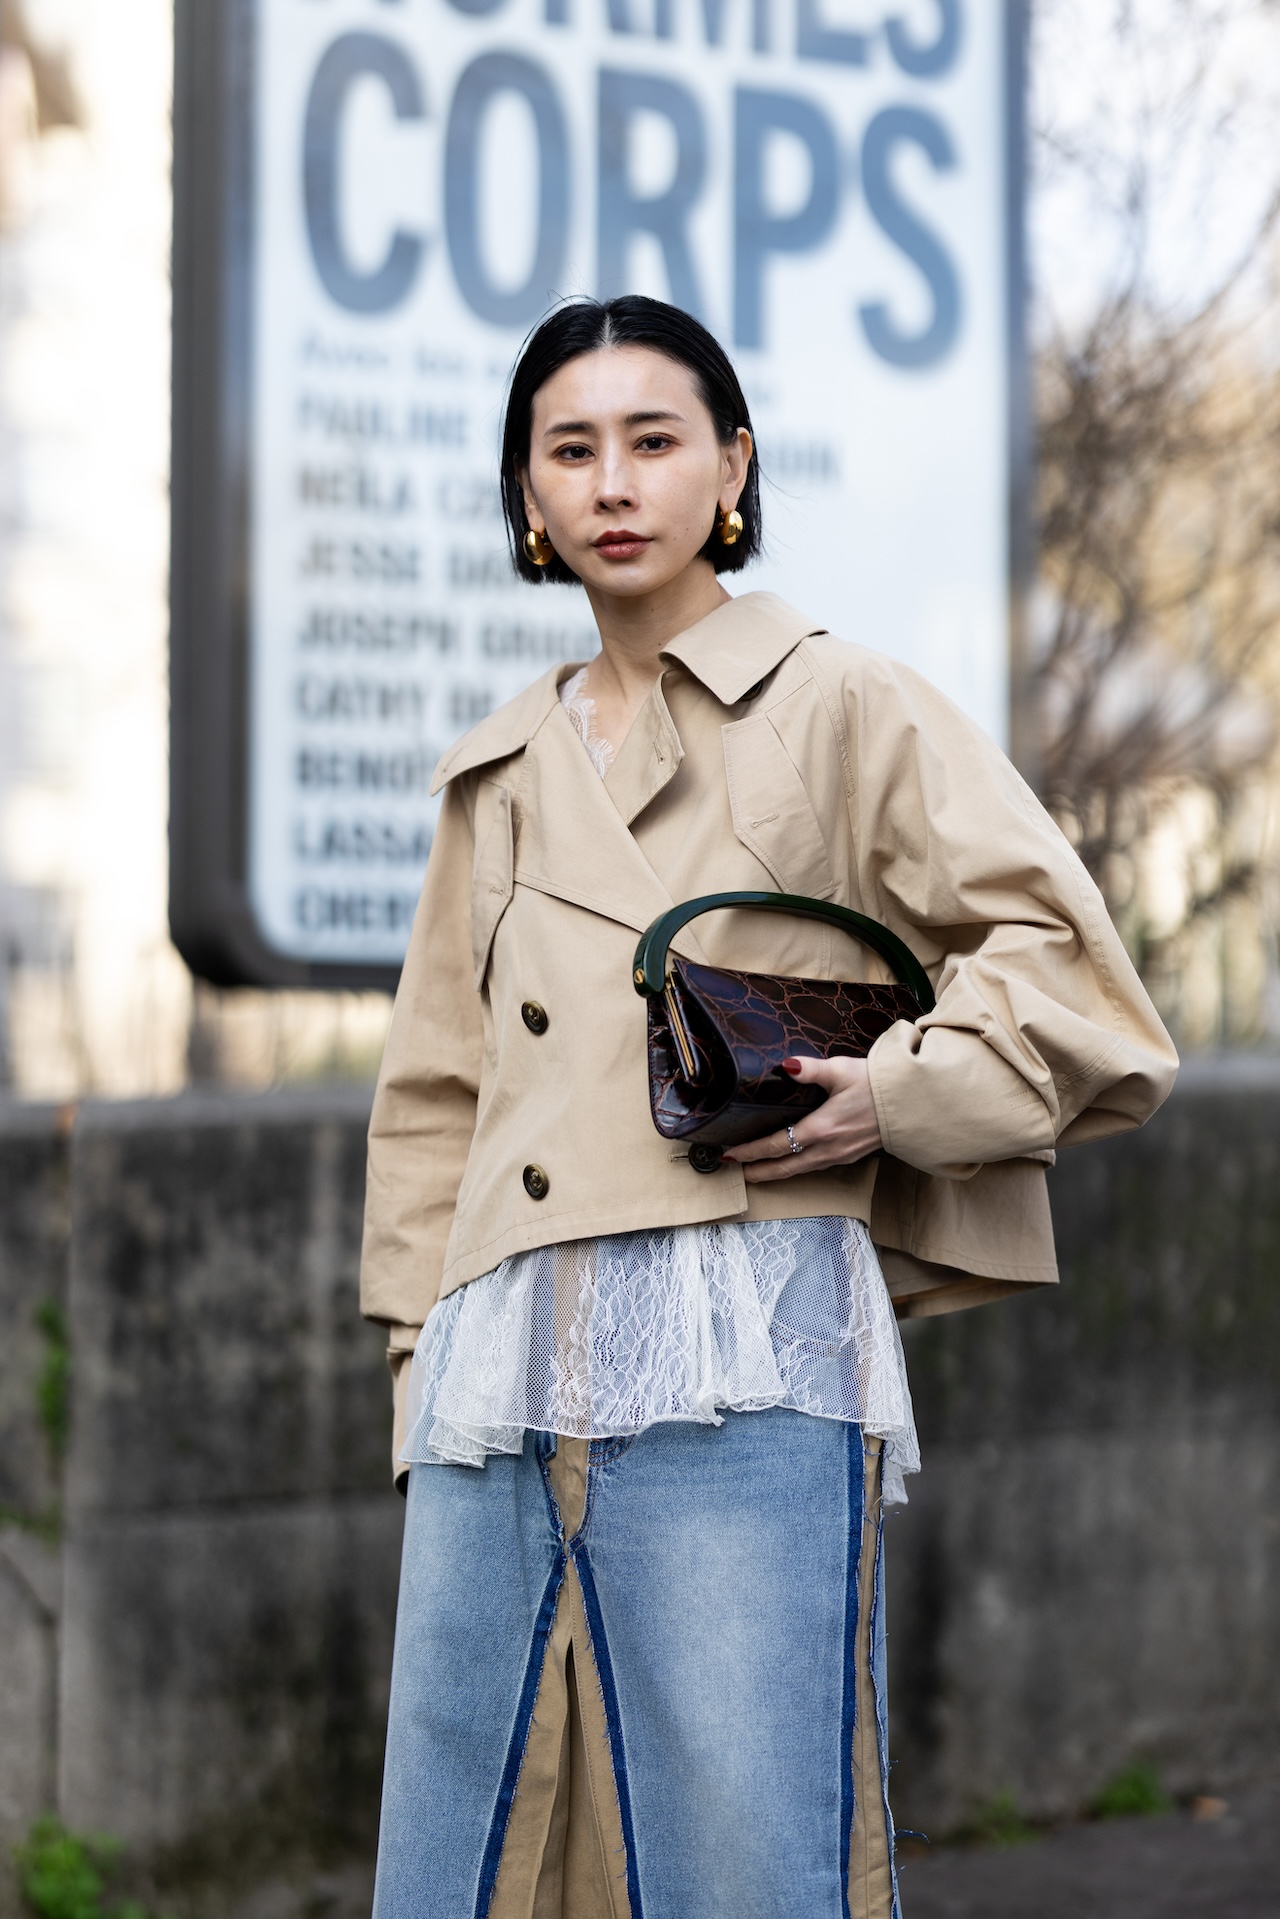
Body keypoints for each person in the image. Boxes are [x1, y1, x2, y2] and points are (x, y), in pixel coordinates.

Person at [359, 295, 1177, 1919]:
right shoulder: (498, 771)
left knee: (750, 1853)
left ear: (731, 465)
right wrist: (414, 1360)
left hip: (745, 1338)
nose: (612, 483)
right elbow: (437, 1096)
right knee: (471, 1852)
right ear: (527, 495)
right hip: (498, 1369)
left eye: (653, 441)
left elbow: (1077, 979)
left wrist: (902, 1095)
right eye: (569, 448)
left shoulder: (840, 702)